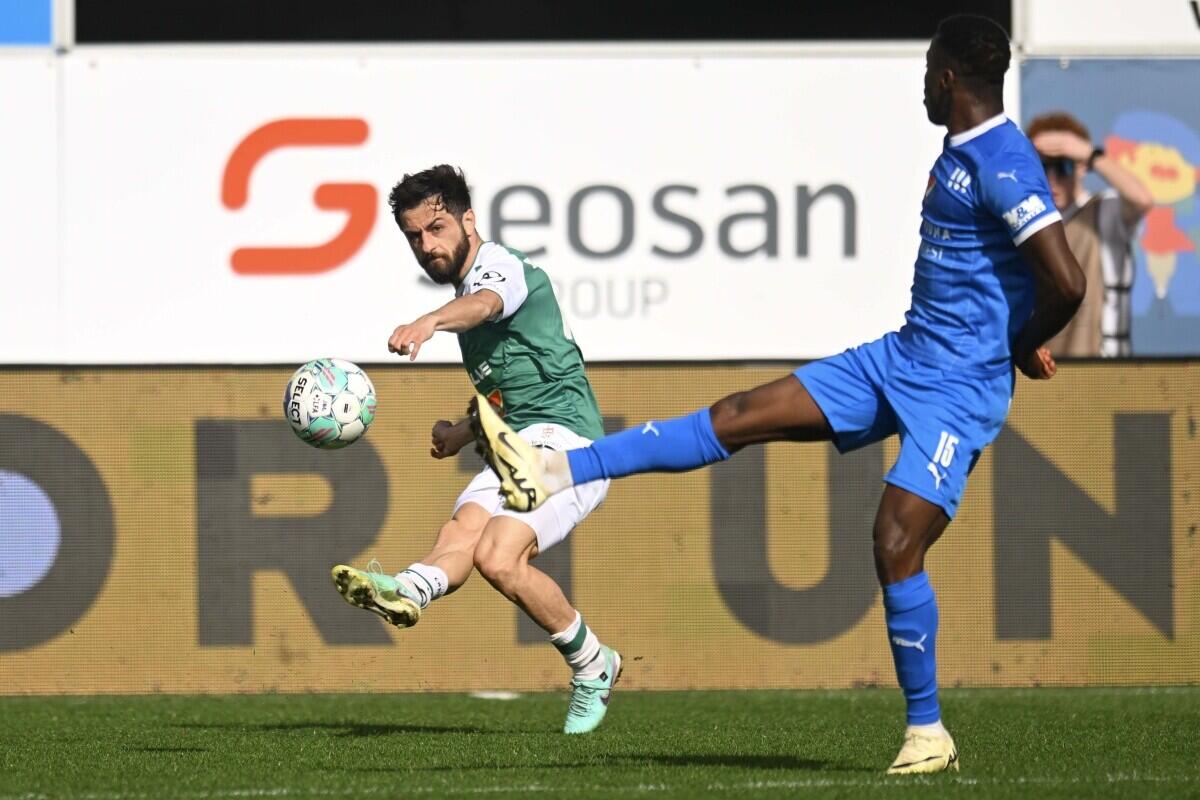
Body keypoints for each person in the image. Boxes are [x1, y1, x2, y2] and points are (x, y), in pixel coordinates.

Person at [471, 15, 1086, 774]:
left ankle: (928, 734)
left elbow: (1068, 280)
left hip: (956, 394)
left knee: (896, 543)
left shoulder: (1003, 160)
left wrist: (1017, 343)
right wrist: (1011, 323)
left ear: (950, 78)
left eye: (930, 72)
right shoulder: (963, 149)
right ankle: (556, 471)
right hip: (900, 357)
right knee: (738, 416)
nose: (924, 84)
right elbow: (1007, 267)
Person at [330, 165, 620, 735]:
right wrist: (463, 432)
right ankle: (407, 588)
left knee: (497, 555)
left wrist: (429, 321)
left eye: (435, 228)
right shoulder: (466, 296)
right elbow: (506, 391)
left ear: (467, 219)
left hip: (572, 446)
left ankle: (594, 665)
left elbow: (487, 303)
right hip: (517, 442)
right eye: (414, 237)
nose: (427, 245)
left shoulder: (499, 270)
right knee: (461, 531)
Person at [1028, 112, 1153, 357]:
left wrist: (1090, 153)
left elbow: (1143, 199)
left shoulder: (1106, 212)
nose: (1052, 179)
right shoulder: (1026, 222)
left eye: (1063, 166)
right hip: (1043, 369)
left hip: (1102, 368)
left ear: (1081, 167)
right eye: (1043, 167)